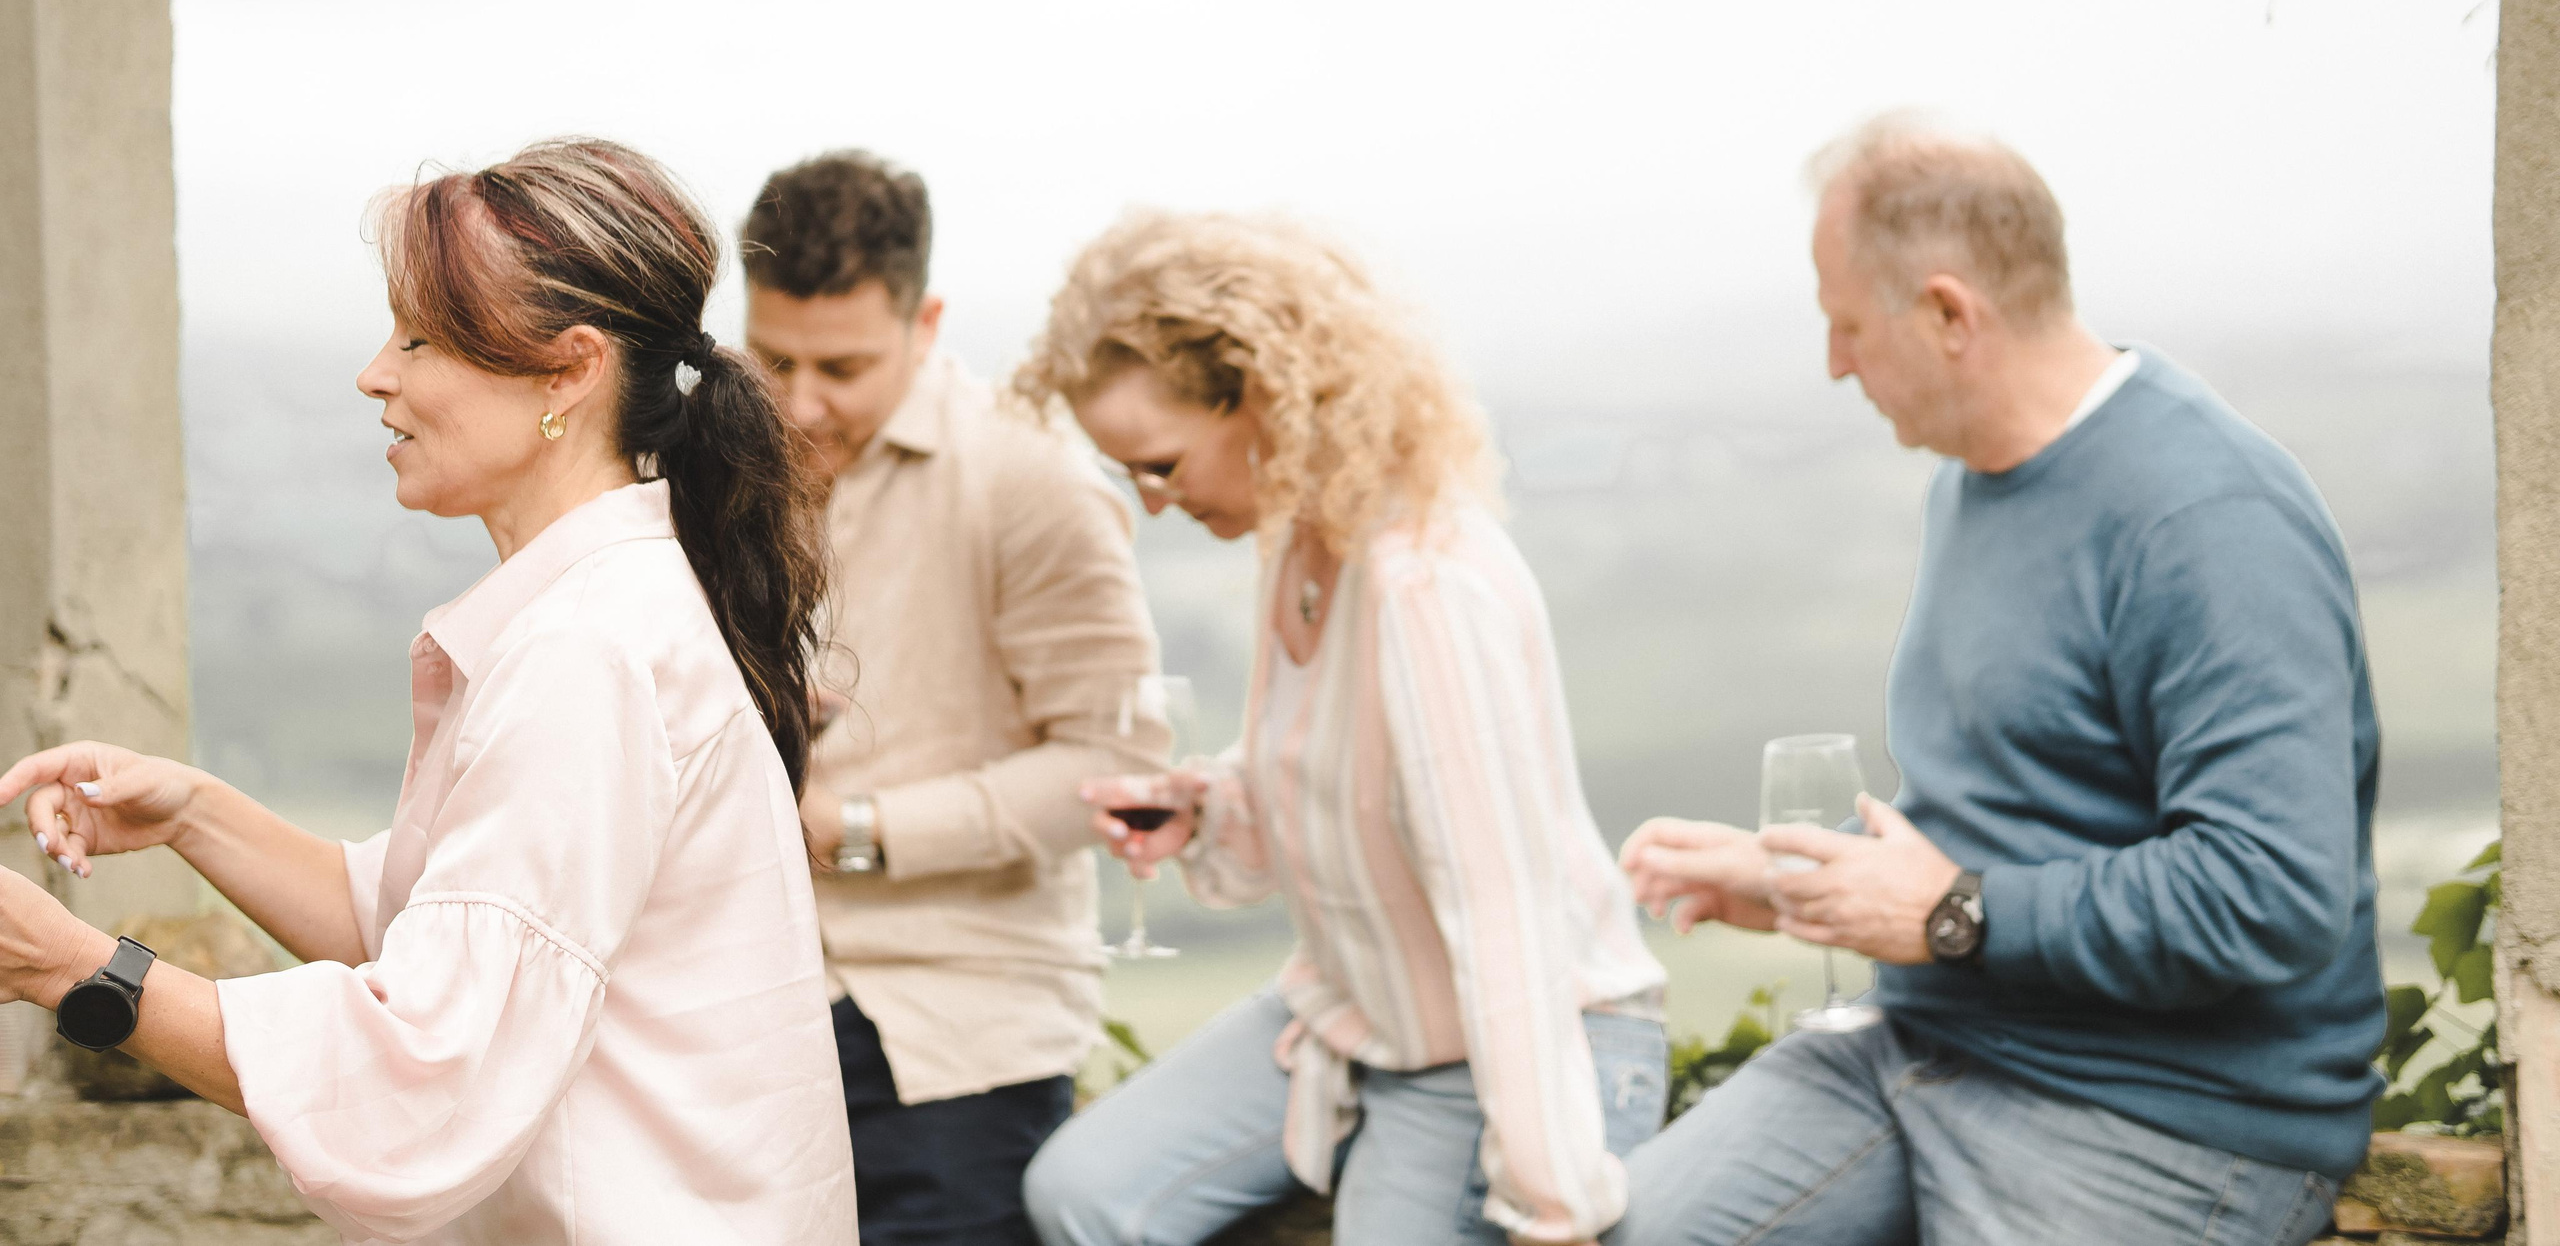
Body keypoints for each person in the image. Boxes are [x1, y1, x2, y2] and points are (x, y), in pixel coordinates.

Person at [0, 139, 857, 1244]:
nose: (376, 373)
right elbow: (437, 926)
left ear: (569, 371)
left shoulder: (585, 652)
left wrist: (69, 967)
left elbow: (421, 1071)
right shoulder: (622, 603)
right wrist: (196, 815)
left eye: (420, 337)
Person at [1610, 116, 2383, 1246]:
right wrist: (1793, 883)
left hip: (2167, 1121)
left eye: (1846, 326)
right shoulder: (1972, 479)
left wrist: (1948, 912)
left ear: (1946, 314)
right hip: (1923, 1050)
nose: (1834, 363)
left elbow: (2268, 893)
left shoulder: (2208, 520)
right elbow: (2010, 811)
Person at [1015, 211, 1669, 1246]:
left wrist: (1552, 1196)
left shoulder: (1424, 589)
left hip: (1518, 1044)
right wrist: (1212, 810)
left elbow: (1507, 919)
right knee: (1085, 1191)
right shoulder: (1298, 550)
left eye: (1162, 465)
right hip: (1351, 1017)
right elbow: (1335, 800)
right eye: (1123, 473)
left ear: (1265, 399)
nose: (1148, 504)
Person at [741, 151, 1164, 1246]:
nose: (799, 399)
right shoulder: (722, 460)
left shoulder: (1033, 482)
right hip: (741, 1009)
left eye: (841, 365)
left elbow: (1115, 774)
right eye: (770, 355)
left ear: (925, 321)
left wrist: (853, 831)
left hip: (954, 1038)